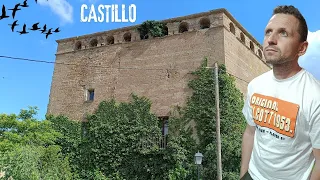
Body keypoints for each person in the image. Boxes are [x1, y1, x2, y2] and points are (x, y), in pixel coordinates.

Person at [240, 5, 320, 180]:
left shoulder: (315, 96)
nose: (271, 39)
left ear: (302, 48)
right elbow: (250, 132)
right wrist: (244, 174)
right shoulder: (255, 85)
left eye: (283, 33)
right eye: (268, 32)